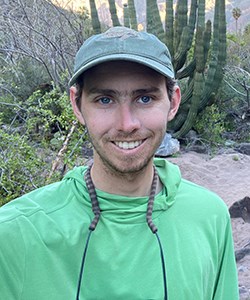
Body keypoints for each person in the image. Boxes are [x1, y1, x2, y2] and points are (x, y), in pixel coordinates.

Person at [0, 26, 239, 300]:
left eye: (145, 98)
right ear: (77, 105)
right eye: (105, 99)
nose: (127, 124)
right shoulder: (13, 235)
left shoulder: (209, 216)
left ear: (172, 103)